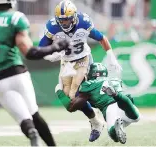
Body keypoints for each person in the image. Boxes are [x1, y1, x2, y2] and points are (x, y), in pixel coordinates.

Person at [0, 0, 69, 146]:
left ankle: (31, 132)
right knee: (34, 113)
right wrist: (54, 47)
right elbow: (30, 52)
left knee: (23, 118)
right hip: (18, 74)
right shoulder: (15, 18)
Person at [39, 0, 122, 142]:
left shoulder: (83, 22)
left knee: (83, 92)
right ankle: (95, 120)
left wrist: (111, 56)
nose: (64, 23)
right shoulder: (52, 27)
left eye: (67, 20)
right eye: (62, 21)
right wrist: (50, 56)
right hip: (66, 62)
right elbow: (41, 49)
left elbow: (102, 38)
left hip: (83, 58)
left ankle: (109, 117)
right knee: (71, 102)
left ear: (75, 17)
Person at [55, 63, 140, 144]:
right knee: (135, 118)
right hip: (125, 106)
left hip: (110, 109)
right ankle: (119, 97)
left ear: (90, 74)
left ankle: (115, 128)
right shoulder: (115, 80)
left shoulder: (88, 85)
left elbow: (71, 107)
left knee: (114, 135)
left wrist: (59, 92)